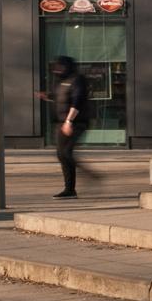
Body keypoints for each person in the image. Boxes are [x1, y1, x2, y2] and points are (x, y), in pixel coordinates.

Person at [45, 55, 92, 199]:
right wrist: (47, 96)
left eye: (60, 66)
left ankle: (72, 187)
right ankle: (70, 188)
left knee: (65, 153)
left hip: (76, 122)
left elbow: (77, 101)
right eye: (56, 67)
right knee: (62, 154)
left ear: (68, 66)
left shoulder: (77, 80)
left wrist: (68, 121)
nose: (57, 69)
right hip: (61, 123)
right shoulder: (61, 81)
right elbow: (59, 97)